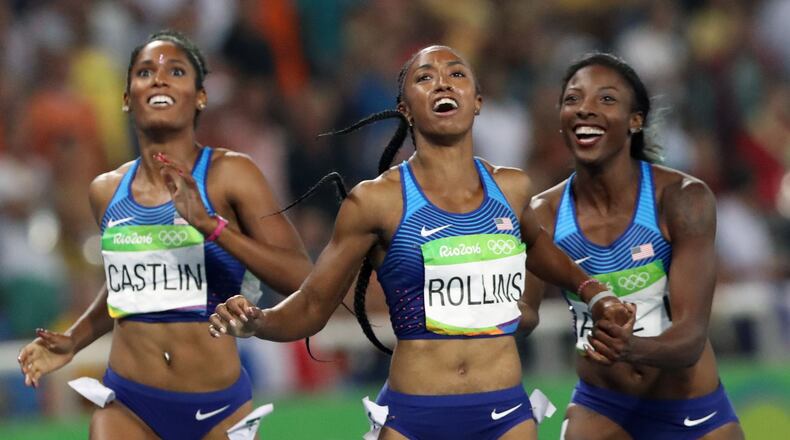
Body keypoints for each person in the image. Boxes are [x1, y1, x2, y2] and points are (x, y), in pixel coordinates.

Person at [208, 45, 628, 440]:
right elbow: (314, 305)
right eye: (425, 77)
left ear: (477, 100)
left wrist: (593, 292)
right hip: (415, 417)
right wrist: (258, 322)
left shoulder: (513, 188)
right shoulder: (376, 201)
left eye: (456, 74)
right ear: (405, 110)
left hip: (504, 413)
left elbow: (537, 247)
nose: (443, 82)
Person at [17, 30, 312, 439]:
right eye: (144, 72)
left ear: (200, 97)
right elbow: (129, 289)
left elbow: (300, 277)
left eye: (176, 71)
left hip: (217, 407)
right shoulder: (106, 191)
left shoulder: (231, 174)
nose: (159, 78)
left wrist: (213, 228)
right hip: (129, 403)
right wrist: (73, 339)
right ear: (126, 98)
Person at [527, 52, 744, 439]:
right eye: (573, 100)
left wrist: (629, 347)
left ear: (635, 121)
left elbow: (691, 339)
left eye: (606, 99)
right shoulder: (542, 214)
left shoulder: (681, 199)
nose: (585, 110)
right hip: (603, 407)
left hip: (690, 407)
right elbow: (522, 316)